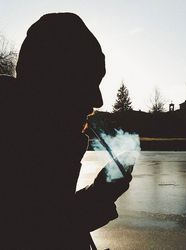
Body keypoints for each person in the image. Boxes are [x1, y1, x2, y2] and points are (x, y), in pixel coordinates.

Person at [0, 13, 132, 249]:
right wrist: (101, 196)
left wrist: (101, 191)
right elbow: (34, 236)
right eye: (87, 82)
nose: (98, 100)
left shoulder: (39, 139)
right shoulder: (15, 150)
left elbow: (49, 218)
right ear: (53, 80)